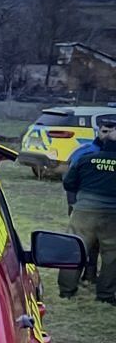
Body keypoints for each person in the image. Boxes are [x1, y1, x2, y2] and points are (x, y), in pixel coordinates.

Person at [60, 114, 116, 303]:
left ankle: (66, 291)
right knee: (111, 255)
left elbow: (68, 183)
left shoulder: (86, 160)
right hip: (113, 215)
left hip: (84, 211)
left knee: (74, 248)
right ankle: (105, 295)